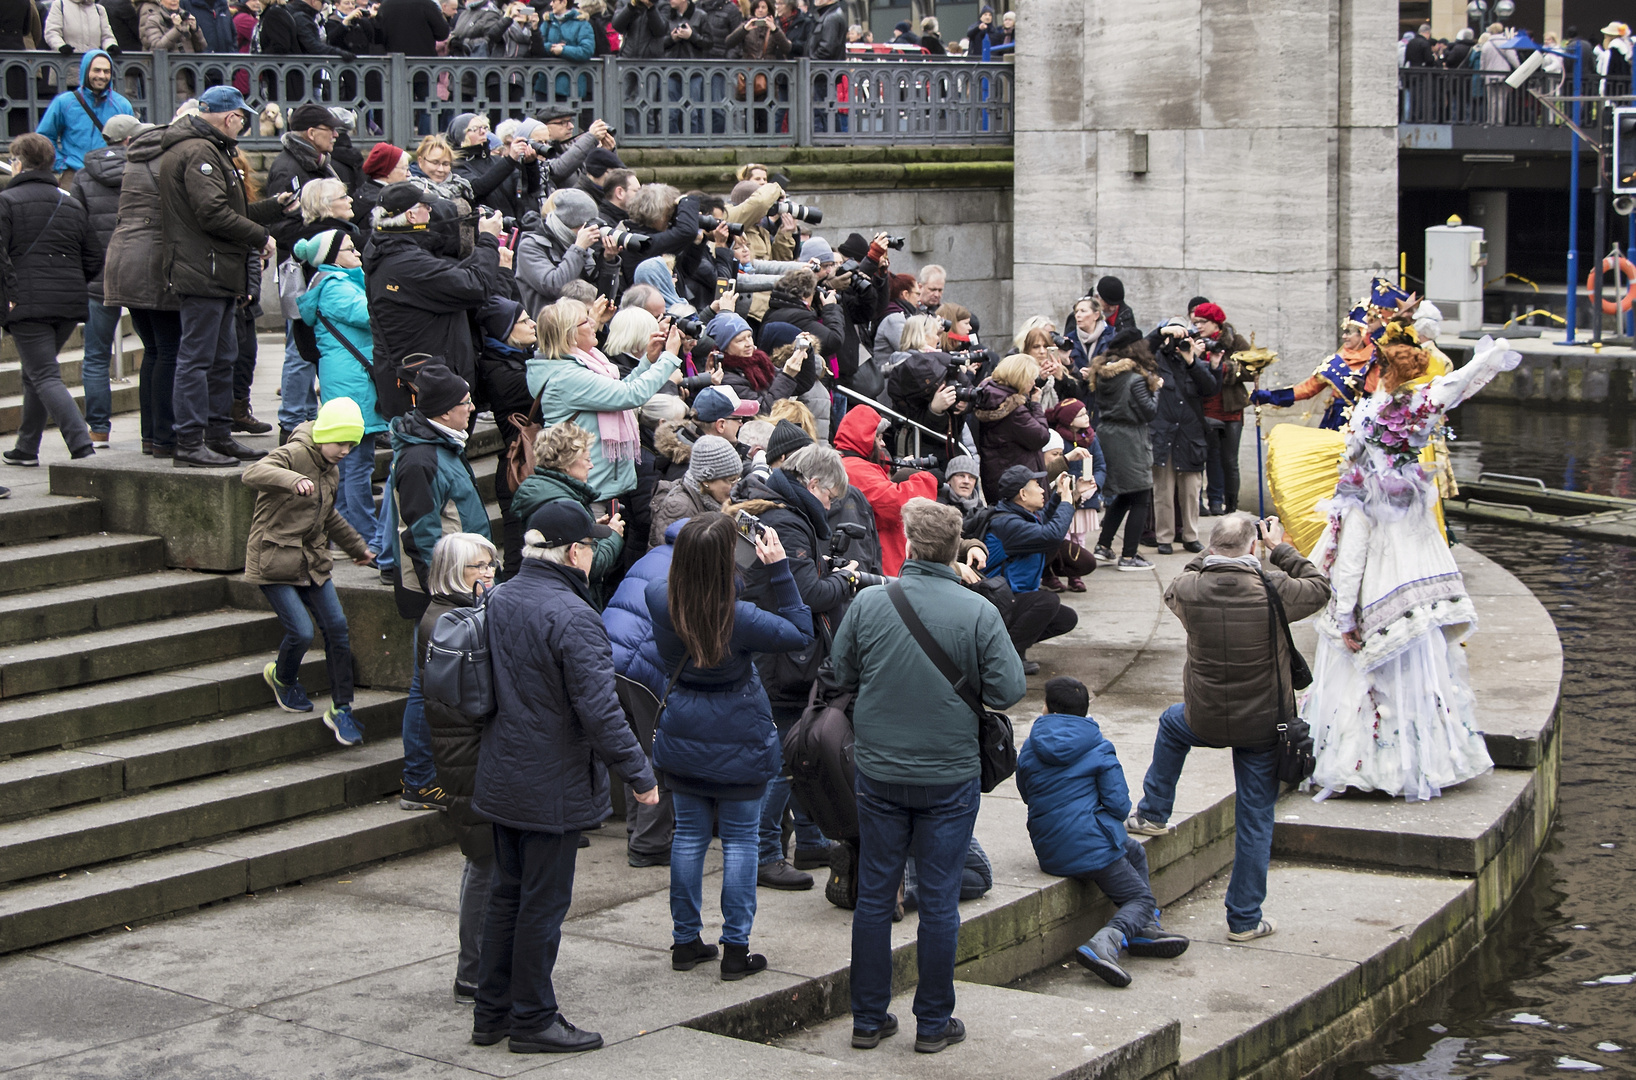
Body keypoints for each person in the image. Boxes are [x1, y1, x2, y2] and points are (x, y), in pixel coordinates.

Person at [830, 498, 1026, 1054]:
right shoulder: (977, 611)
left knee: (875, 897)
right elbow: (1009, 690)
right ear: (954, 550)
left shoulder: (870, 602)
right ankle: (934, 1023)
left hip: (880, 771)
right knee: (939, 901)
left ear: (911, 546)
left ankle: (868, 1019)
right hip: (949, 775)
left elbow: (841, 671)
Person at [470, 501, 659, 1053]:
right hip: (547, 781)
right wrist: (638, 773)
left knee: (507, 895)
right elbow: (600, 710)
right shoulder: (573, 616)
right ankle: (531, 1019)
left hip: (504, 771)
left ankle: (493, 1014)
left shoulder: (500, 596)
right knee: (542, 904)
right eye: (592, 546)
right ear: (574, 552)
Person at [1302, 330, 1519, 802]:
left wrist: (1343, 613)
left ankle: (1366, 764)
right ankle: (1427, 757)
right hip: (1413, 530)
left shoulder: (1370, 419)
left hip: (1377, 525)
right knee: (1418, 647)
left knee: (1358, 644)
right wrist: (1489, 360)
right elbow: (1456, 385)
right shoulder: (1419, 404)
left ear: (1381, 368)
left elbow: (1353, 554)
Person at [1130, 513, 1330, 942]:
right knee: (1255, 819)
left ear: (1212, 547)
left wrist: (1213, 551)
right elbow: (1320, 587)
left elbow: (1182, 577)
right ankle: (1243, 919)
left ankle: (1153, 813)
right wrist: (1280, 550)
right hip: (1262, 728)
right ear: (1253, 547)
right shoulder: (1274, 589)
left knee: (1171, 722)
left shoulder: (1189, 588)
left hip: (1202, 719)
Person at [641, 512, 811, 978]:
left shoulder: (659, 598)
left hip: (683, 725)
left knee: (689, 837)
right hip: (739, 731)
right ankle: (735, 948)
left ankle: (685, 941)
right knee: (739, 841)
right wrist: (778, 568)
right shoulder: (740, 617)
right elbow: (801, 633)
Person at [729, 441, 852, 889]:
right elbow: (808, 594)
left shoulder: (779, 510)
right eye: (830, 496)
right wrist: (847, 579)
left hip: (783, 652)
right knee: (789, 754)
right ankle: (765, 852)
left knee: (802, 747)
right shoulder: (788, 520)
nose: (831, 505)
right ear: (813, 483)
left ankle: (813, 837)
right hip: (784, 657)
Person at [1016, 676, 1190, 987]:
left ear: (1046, 708)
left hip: (1049, 850)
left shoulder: (1030, 747)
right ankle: (1106, 942)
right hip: (1092, 852)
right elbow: (1120, 806)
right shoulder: (1098, 747)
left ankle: (1144, 931)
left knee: (1134, 850)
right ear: (1085, 712)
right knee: (1142, 899)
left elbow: (1028, 793)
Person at [156, 85, 284, 468]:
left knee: (221, 356)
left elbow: (232, 211)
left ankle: (217, 434)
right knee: (198, 358)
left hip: (216, 269)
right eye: (242, 119)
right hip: (204, 269)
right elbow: (211, 213)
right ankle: (191, 441)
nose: (243, 126)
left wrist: (273, 210)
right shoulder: (199, 151)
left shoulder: (208, 149)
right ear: (232, 117)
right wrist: (260, 236)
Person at [387, 364, 493, 810]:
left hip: (459, 582)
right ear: (446, 411)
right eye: (465, 403)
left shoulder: (441, 445)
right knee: (423, 686)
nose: (472, 409)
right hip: (440, 590)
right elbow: (421, 534)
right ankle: (418, 780)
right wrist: (450, 589)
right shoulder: (420, 458)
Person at [243, 396, 374, 744]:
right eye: (340, 442)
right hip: (273, 560)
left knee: (338, 629)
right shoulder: (297, 452)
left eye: (351, 444)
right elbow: (252, 472)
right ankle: (282, 677)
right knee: (301, 632)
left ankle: (342, 708)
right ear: (324, 433)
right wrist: (290, 480)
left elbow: (327, 514)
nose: (345, 450)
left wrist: (357, 547)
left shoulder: (331, 467)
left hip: (312, 561)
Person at [420, 531, 499, 1004]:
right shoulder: (448, 623)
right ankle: (472, 973)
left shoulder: (457, 615)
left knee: (484, 862)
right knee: (483, 862)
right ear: (454, 571)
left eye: (491, 565)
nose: (489, 574)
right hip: (466, 757)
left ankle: (477, 968)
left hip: (466, 752)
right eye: (478, 567)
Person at [0, 134, 103, 468]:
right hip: (69, 303)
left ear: (18, 162)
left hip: (27, 304)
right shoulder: (70, 201)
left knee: (43, 375)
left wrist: (11, 294)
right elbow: (93, 257)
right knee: (36, 374)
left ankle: (81, 443)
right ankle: (27, 446)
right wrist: (72, 284)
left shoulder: (6, 201)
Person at [363, 182, 503, 417]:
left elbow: (448, 281)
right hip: (426, 388)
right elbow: (475, 286)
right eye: (426, 206)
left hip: (420, 379)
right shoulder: (406, 263)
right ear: (410, 215)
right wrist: (489, 239)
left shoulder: (390, 252)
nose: (430, 211)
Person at [531, 297, 685, 505]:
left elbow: (618, 391)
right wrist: (669, 358)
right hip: (588, 490)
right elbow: (629, 395)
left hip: (598, 483)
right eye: (585, 321)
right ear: (570, 335)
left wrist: (648, 361)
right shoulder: (566, 377)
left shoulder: (581, 363)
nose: (594, 323)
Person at [294, 230, 386, 540]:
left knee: (354, 466)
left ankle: (348, 529)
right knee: (357, 465)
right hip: (352, 383)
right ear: (332, 257)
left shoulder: (341, 282)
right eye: (350, 249)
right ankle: (365, 534)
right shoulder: (334, 287)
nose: (357, 254)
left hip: (352, 379)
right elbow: (371, 314)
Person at [68, 115, 147, 449]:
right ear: (129, 141)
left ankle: (98, 429)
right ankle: (156, 430)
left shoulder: (83, 177)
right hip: (142, 273)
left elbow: (75, 228)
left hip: (100, 277)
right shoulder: (144, 171)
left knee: (96, 356)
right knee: (159, 351)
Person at [512, 422, 627, 606]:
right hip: (572, 599)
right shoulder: (560, 502)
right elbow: (588, 565)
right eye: (587, 459)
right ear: (566, 464)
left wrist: (589, 528)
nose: (591, 465)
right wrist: (613, 536)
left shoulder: (547, 492)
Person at [982, 465, 1077, 674]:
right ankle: (1008, 654)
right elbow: (1051, 535)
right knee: (1047, 601)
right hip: (995, 601)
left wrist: (1062, 495)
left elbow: (1045, 519)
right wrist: (1068, 502)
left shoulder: (1018, 514)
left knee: (1065, 618)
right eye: (1037, 485)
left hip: (1011, 597)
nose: (1043, 490)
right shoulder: (1008, 524)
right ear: (1023, 494)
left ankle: (1010, 646)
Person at [832, 402, 939, 576]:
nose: (883, 445)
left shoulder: (851, 465)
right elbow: (896, 504)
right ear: (865, 437)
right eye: (879, 438)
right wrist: (926, 479)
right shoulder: (855, 468)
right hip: (882, 563)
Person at [1090, 329, 1158, 571]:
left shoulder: (1105, 374)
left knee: (1123, 494)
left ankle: (1103, 545)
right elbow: (1149, 411)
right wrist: (1156, 389)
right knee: (1141, 495)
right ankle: (1129, 556)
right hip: (1130, 440)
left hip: (1108, 434)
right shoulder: (1135, 379)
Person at [1147, 318, 1217, 555]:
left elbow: (1210, 389)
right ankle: (1164, 537)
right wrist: (1162, 332)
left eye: (1183, 336)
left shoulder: (1193, 362)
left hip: (1190, 435)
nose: (1178, 341)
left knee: (1190, 491)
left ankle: (1190, 536)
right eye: (1174, 335)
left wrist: (1192, 362)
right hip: (1164, 434)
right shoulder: (1155, 360)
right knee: (1163, 490)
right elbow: (1140, 349)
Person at [1251, 304, 1377, 431]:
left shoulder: (1378, 360)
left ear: (1362, 334)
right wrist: (1271, 396)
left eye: (1348, 333)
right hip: (1339, 423)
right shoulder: (1335, 363)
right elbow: (1307, 389)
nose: (1344, 337)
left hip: (1370, 422)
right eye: (1344, 332)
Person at [1189, 302, 1252, 515]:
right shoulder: (1195, 341)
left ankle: (1232, 505)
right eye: (1195, 321)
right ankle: (1214, 501)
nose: (1198, 326)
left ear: (1216, 323)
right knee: (1211, 456)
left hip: (1231, 407)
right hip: (1206, 407)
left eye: (1203, 322)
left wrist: (1223, 369)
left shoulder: (1235, 341)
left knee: (1230, 459)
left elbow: (1252, 369)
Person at [515, 189, 621, 313]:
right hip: (550, 329)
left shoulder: (581, 244)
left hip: (587, 325)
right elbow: (554, 287)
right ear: (571, 225)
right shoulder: (531, 246)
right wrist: (578, 248)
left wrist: (609, 261)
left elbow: (604, 299)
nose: (591, 231)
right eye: (587, 226)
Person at [37, 50, 134, 179]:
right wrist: (61, 164)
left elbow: (132, 141)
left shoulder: (122, 105)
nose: (102, 75)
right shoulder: (65, 102)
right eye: (97, 70)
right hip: (75, 173)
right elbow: (45, 137)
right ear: (85, 71)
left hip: (112, 175)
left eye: (106, 71)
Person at [972, 353, 1050, 505]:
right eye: (1031, 379)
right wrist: (1035, 404)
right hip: (1018, 482)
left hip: (997, 473)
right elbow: (1041, 437)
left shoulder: (990, 394)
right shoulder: (1014, 409)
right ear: (1021, 379)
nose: (1034, 383)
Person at [649, 432, 739, 545]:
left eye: (737, 479)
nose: (735, 487)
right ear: (706, 481)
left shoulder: (711, 499)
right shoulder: (678, 508)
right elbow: (679, 559)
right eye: (731, 480)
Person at [45, 0, 119, 54]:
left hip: (93, 68)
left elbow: (107, 36)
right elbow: (52, 32)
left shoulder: (99, 10)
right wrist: (60, 46)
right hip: (65, 67)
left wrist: (110, 45)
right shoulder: (60, 5)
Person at [379, 0, 450, 53]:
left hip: (393, 64)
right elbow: (443, 33)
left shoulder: (385, 5)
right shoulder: (427, 4)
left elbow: (379, 36)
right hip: (423, 65)